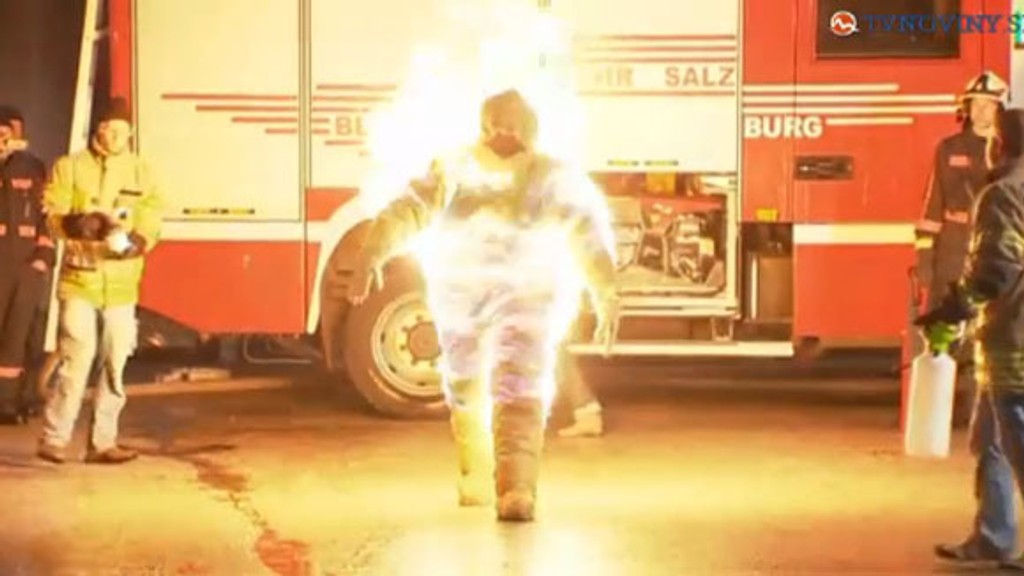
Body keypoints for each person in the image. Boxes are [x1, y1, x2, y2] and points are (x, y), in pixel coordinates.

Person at [348, 88, 619, 521]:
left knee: (519, 389)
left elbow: (586, 237)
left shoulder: (552, 177)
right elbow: (409, 210)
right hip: (463, 302)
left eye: (512, 126)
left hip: (525, 299)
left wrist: (606, 293)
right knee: (467, 387)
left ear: (530, 132)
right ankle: (477, 475)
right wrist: (372, 254)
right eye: (496, 125)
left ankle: (516, 488)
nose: (503, 134)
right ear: (482, 126)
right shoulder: (454, 168)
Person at [920, 107, 1024, 570]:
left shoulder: (1003, 194)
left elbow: (996, 268)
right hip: (1004, 340)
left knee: (1015, 444)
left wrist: (955, 306)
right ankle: (994, 536)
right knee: (990, 441)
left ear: (1000, 144)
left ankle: (996, 538)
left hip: (1014, 345)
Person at [36, 97, 165, 465]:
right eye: (108, 128)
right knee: (76, 357)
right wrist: (75, 224)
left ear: (130, 132)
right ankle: (54, 439)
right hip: (80, 279)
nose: (114, 136)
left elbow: (154, 214)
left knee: (115, 363)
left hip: (122, 284)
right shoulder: (69, 167)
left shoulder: (142, 171)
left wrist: (140, 240)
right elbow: (50, 211)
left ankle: (103, 443)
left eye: (120, 130)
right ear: (98, 129)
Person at [912, 71, 1008, 427]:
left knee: (992, 333)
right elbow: (931, 207)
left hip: (994, 248)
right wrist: (926, 259)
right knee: (944, 330)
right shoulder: (949, 148)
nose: (981, 111)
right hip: (953, 248)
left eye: (989, 105)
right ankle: (939, 413)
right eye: (976, 104)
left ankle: (982, 412)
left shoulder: (1010, 152)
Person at [0, 108, 53, 424]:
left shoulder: (32, 167)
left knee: (18, 336)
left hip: (24, 266)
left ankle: (7, 402)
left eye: (9, 133)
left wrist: (42, 259)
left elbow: (46, 216)